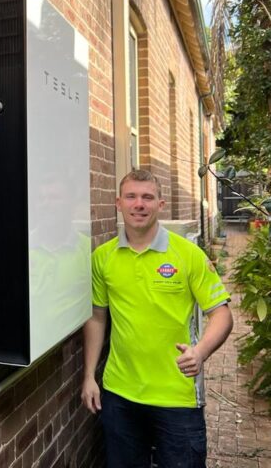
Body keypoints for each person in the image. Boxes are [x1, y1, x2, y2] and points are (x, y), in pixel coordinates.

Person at [80, 169, 233, 468]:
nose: (139, 204)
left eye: (148, 197)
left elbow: (222, 314)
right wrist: (88, 376)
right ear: (118, 203)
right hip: (120, 393)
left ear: (160, 205)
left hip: (177, 396)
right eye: (132, 197)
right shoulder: (103, 257)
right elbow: (97, 317)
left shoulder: (188, 255)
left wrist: (200, 352)